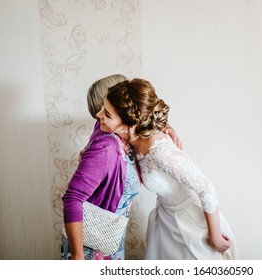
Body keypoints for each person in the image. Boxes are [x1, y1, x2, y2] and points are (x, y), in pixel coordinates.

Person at [96, 78, 239, 259]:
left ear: (130, 124)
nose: (98, 115)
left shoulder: (160, 151)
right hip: (165, 220)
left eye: (107, 114)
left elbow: (207, 189)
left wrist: (216, 238)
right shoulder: (130, 137)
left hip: (191, 224)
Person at [61, 74, 140, 260]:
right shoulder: (105, 147)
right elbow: (72, 199)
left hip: (110, 240)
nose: (99, 116)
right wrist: (78, 257)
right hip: (91, 249)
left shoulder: (125, 137)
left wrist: (166, 127)